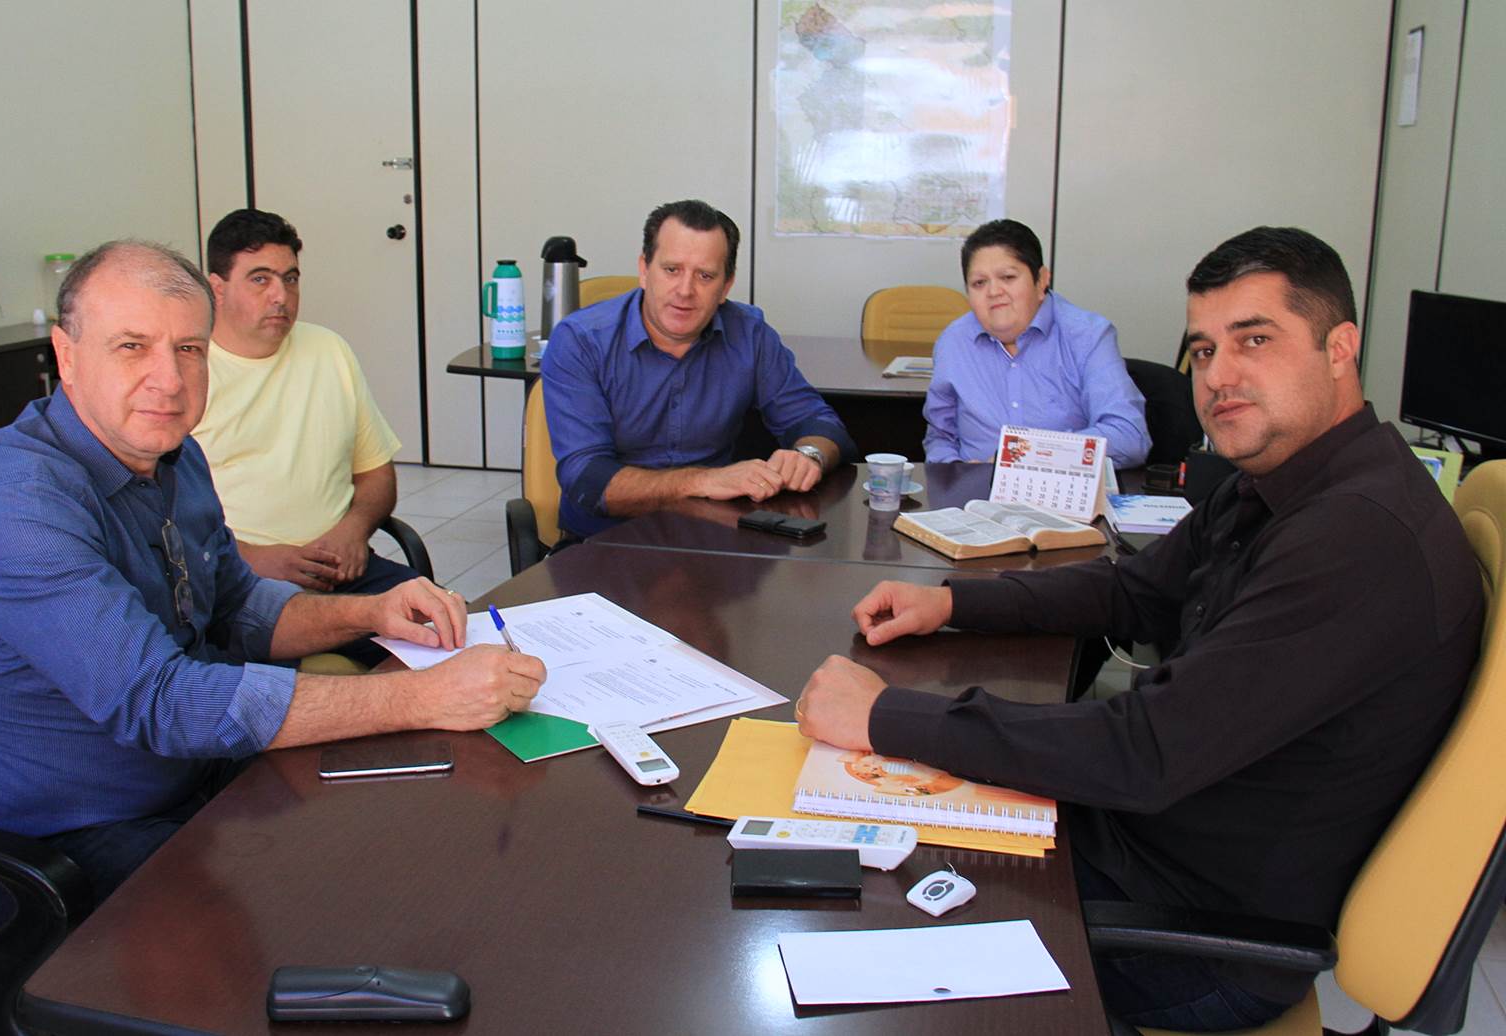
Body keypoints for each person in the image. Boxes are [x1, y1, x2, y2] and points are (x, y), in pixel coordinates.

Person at [796, 226, 1482, 1031]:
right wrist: (954, 604)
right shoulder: (1283, 480)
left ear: (1340, 347)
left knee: (855, 905)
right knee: (863, 836)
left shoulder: (1356, 537)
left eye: (1254, 340)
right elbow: (1136, 593)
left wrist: (885, 715)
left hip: (1191, 935)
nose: (1218, 377)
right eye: (1204, 351)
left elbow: (1144, 750)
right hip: (1151, 843)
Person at [0, 241, 547, 931]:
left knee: (399, 834)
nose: (169, 379)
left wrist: (370, 613)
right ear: (66, 356)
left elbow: (237, 605)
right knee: (309, 925)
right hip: (57, 839)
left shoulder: (176, 456)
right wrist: (422, 696)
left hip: (191, 774)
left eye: (189, 349)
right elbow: (160, 700)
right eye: (132, 347)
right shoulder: (15, 503)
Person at [540, 199, 858, 540]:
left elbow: (819, 422)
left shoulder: (749, 334)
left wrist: (808, 455)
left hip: (713, 537)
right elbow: (587, 479)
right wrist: (702, 481)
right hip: (603, 543)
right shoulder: (580, 340)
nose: (685, 291)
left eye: (705, 276)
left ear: (726, 286)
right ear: (644, 270)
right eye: (671, 270)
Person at [191, 209, 412, 666]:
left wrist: (354, 530)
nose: (281, 296)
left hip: (343, 571)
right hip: (243, 585)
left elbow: (376, 474)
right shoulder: (187, 373)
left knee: (454, 632)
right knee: (292, 694)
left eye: (290, 279)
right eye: (260, 279)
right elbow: (164, 521)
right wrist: (249, 559)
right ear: (217, 287)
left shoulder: (328, 350)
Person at [923, 219, 1150, 469]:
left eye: (1007, 277)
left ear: (1041, 280)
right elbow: (940, 437)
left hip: (1061, 489)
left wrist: (1024, 457)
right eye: (979, 283)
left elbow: (1129, 436)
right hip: (975, 491)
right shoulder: (953, 342)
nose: (993, 292)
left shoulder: (1088, 336)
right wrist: (956, 472)